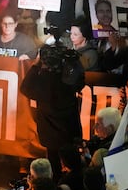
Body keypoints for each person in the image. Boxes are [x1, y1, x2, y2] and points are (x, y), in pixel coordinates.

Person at [20, 45, 85, 180]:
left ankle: (56, 185)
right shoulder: (68, 81)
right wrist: (73, 62)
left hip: (50, 134)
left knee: (54, 165)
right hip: (69, 131)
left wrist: (36, 65)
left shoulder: (42, 81)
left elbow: (25, 88)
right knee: (74, 165)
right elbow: (80, 81)